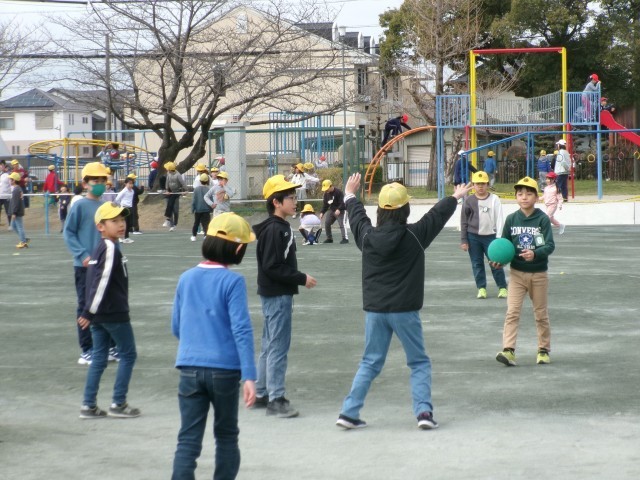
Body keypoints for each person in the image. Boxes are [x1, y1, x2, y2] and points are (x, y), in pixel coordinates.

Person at [336, 173, 471, 430]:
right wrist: (455, 196)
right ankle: (423, 413)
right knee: (418, 362)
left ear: (380, 210)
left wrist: (350, 194)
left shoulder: (367, 237)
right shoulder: (415, 235)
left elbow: (357, 218)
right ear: (405, 208)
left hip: (375, 311)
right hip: (405, 311)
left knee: (370, 362)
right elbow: (436, 215)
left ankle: (349, 412)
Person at [171, 212, 257, 480]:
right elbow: (241, 330)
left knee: (188, 439)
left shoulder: (186, 278)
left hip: (189, 367)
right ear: (238, 249)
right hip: (225, 370)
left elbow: (176, 326)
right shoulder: (233, 281)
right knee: (227, 435)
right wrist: (249, 376)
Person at [252, 175, 317, 418]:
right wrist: (301, 277)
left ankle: (261, 392)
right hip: (278, 295)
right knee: (277, 347)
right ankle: (276, 399)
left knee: (269, 345)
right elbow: (272, 266)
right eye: (290, 197)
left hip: (273, 294)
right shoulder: (276, 230)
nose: (295, 201)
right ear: (276, 202)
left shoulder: (277, 228)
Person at [77, 202, 140, 419]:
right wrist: (89, 311)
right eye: (114, 221)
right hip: (113, 313)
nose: (121, 224)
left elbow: (93, 281)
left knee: (99, 358)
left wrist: (90, 311)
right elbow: (101, 281)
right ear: (100, 227)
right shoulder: (111, 248)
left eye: (122, 220)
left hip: (99, 315)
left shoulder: (100, 248)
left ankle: (88, 405)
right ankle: (118, 403)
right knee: (128, 354)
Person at [493, 177, 555, 367]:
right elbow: (504, 246)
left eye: (529, 194)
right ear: (516, 197)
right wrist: (499, 261)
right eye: (520, 194)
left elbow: (549, 245)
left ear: (537, 197)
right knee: (512, 312)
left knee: (540, 314)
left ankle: (543, 350)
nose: (524, 197)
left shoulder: (542, 219)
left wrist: (535, 253)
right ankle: (508, 350)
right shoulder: (511, 219)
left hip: (538, 274)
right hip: (517, 274)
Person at [63, 162, 117, 366]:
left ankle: (109, 346)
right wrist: (82, 255)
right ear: (85, 184)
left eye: (103, 180)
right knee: (85, 307)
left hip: (105, 266)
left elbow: (112, 235)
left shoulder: (106, 207)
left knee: (107, 305)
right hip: (84, 267)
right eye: (95, 180)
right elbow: (69, 233)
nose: (100, 184)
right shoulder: (79, 206)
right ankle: (87, 349)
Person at [460, 171, 508, 299]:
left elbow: (499, 218)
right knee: (477, 263)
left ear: (487, 184)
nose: (480, 186)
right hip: (473, 237)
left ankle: (502, 288)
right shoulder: (469, 201)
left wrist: (499, 237)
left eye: (483, 183)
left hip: (491, 237)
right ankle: (481, 288)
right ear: (473, 185)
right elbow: (464, 221)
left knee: (496, 262)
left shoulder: (494, 199)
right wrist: (464, 240)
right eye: (477, 184)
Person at [319, 179, 348, 244]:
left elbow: (343, 202)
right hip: (332, 210)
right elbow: (325, 204)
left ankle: (345, 238)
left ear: (330, 186)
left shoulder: (338, 192)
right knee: (327, 223)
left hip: (341, 210)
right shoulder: (326, 194)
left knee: (342, 224)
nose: (326, 190)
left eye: (327, 189)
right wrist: (322, 212)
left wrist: (339, 209)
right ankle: (329, 238)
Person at [8, 172, 29, 249]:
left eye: (11, 179)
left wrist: (14, 212)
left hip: (17, 212)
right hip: (17, 211)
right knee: (14, 226)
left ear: (14, 180)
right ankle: (23, 239)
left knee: (19, 227)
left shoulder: (16, 190)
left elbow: (16, 202)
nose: (9, 181)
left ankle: (23, 242)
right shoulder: (17, 189)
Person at [164, 162, 186, 231]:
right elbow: (167, 182)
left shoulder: (178, 175)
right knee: (169, 207)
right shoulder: (168, 174)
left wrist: (186, 190)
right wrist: (167, 190)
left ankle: (175, 224)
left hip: (176, 192)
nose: (167, 170)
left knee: (175, 210)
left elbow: (183, 183)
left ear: (170, 169)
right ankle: (171, 224)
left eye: (167, 168)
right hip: (170, 192)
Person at [191, 173, 212, 242]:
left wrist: (192, 209)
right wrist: (211, 209)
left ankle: (194, 236)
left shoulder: (196, 189)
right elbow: (211, 200)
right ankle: (206, 235)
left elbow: (194, 200)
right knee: (206, 224)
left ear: (200, 181)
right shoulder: (208, 189)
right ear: (207, 181)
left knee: (196, 223)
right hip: (206, 210)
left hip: (198, 209)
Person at [115, 177, 135, 243]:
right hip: (124, 208)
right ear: (125, 184)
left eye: (132, 183)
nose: (131, 185)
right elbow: (117, 199)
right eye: (129, 183)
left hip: (130, 208)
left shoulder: (132, 191)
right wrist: (120, 206)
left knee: (129, 224)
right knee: (124, 224)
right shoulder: (124, 191)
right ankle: (121, 237)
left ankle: (126, 237)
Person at [0, 160, 11, 226]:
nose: (1, 166)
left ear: (4, 165)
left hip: (6, 196)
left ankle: (10, 224)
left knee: (8, 211)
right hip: (0, 195)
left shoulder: (8, 174)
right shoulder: (0, 174)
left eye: (2, 165)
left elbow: (11, 184)